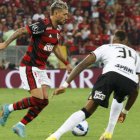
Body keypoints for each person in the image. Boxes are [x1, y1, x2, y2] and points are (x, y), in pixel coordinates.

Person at [46, 30, 140, 140]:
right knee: (119, 99)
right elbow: (136, 86)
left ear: (113, 39)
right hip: (130, 81)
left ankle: (55, 136)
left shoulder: (107, 47)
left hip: (110, 75)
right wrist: (125, 112)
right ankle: (108, 133)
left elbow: (83, 64)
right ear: (125, 41)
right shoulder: (135, 54)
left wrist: (65, 84)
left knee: (87, 110)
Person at [0, 0, 72, 138]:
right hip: (29, 66)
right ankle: (7, 108)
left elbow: (55, 48)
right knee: (38, 99)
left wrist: (66, 63)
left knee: (44, 101)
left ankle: (20, 125)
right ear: (56, 13)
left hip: (40, 68)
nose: (66, 17)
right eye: (64, 14)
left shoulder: (56, 31)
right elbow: (22, 30)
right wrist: (5, 44)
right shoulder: (43, 25)